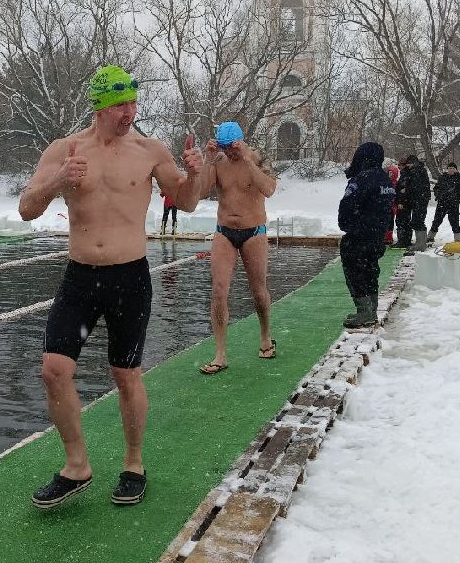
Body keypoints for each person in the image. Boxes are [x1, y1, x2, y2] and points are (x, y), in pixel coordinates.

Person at [18, 64, 204, 509]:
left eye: (133, 103)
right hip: (80, 276)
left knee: (125, 374)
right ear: (100, 107)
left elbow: (186, 201)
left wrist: (196, 174)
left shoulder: (149, 150)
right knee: (53, 370)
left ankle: (134, 464)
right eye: (121, 104)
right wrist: (58, 181)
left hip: (129, 277)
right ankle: (77, 466)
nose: (130, 112)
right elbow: (26, 208)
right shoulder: (64, 150)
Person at [196, 121, 279, 375]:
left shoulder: (258, 157)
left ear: (240, 142)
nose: (229, 153)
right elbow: (200, 192)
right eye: (225, 148)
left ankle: (265, 336)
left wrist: (247, 160)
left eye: (232, 148)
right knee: (218, 290)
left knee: (258, 291)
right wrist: (208, 159)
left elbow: (269, 189)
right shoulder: (218, 160)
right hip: (225, 232)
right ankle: (220, 354)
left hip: (254, 232)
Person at [338, 142, 395, 328]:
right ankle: (371, 309)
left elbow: (347, 206)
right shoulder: (385, 179)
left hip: (359, 234)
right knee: (371, 271)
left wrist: (347, 225)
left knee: (355, 272)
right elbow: (388, 209)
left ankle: (364, 311)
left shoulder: (362, 179)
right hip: (377, 235)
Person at [393, 154, 431, 251]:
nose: (408, 165)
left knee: (418, 221)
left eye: (410, 163)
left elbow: (417, 186)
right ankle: (419, 243)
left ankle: (421, 244)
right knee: (415, 221)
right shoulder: (411, 171)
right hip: (415, 199)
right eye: (407, 164)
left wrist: (406, 190)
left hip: (420, 199)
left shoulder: (419, 171)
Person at [428, 162, 460, 244]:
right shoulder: (442, 177)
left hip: (453, 204)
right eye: (450, 168)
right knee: (436, 221)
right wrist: (438, 195)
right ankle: (430, 237)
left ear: (456, 169)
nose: (451, 170)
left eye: (453, 168)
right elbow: (436, 188)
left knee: (454, 222)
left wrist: (456, 197)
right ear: (447, 169)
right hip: (442, 203)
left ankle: (457, 239)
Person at [383, 158, 400, 245]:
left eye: (392, 173)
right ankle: (383, 237)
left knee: (390, 222)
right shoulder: (384, 183)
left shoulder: (397, 184)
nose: (390, 175)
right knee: (384, 222)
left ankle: (389, 237)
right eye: (389, 173)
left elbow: (398, 195)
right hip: (384, 206)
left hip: (392, 206)